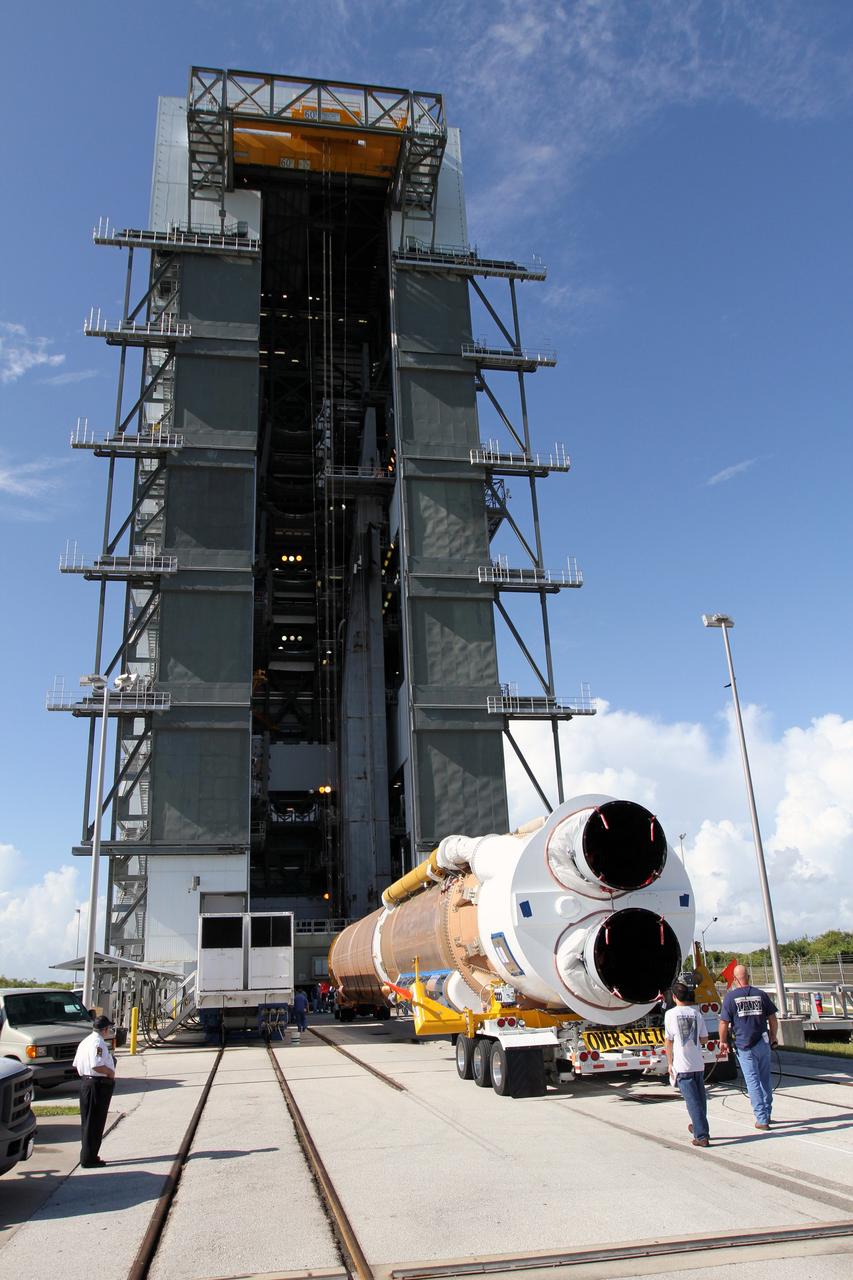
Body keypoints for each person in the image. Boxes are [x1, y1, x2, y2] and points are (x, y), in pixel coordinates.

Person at [719, 964, 778, 1130]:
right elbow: (773, 1018)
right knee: (765, 1079)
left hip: (744, 1045)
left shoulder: (730, 998)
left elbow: (724, 1023)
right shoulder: (761, 995)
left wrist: (723, 1041)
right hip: (763, 1043)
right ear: (749, 977)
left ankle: (762, 1118)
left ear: (735, 979)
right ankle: (767, 1112)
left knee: (752, 1082)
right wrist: (773, 1036)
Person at [664, 980, 710, 1147]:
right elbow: (704, 1039)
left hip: (682, 1065)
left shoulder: (670, 1015)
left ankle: (701, 1136)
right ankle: (698, 1126)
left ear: (674, 997)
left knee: (692, 1102)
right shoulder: (696, 1013)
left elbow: (668, 1041)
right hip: (698, 1064)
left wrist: (670, 1063)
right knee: (700, 1100)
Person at [73, 1014, 117, 1168]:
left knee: (88, 1122)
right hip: (97, 1085)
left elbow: (77, 1064)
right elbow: (96, 1065)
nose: (109, 1031)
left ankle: (88, 1155)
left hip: (86, 1082)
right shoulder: (98, 1043)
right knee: (95, 1122)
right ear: (104, 1029)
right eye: (108, 1028)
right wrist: (110, 1073)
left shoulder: (85, 1041)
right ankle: (89, 1158)